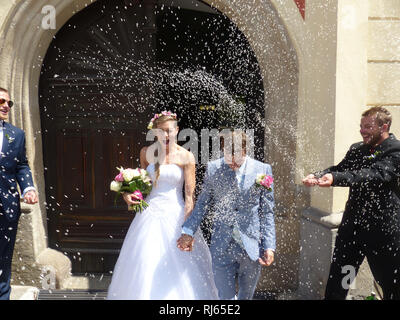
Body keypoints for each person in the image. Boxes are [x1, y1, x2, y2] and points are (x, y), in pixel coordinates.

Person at [107, 111, 218, 299]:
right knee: (145, 261)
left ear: (177, 131)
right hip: (148, 217)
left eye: (169, 131)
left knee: (180, 266)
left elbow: (190, 196)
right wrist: (128, 194)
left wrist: (187, 231)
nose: (165, 135)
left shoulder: (186, 157)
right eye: (161, 131)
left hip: (175, 216)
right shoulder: (146, 153)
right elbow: (142, 187)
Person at [302, 106, 400, 300]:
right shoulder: (357, 149)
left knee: (390, 285)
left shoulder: (395, 151)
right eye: (361, 126)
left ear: (384, 126)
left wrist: (335, 178)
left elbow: (373, 175)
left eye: (368, 127)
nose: (362, 131)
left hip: (383, 235)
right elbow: (341, 169)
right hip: (352, 232)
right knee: (340, 280)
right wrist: (319, 175)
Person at [177, 130, 276, 300]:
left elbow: (266, 212)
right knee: (225, 298)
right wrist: (188, 231)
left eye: (236, 156)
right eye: (227, 155)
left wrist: (269, 245)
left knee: (246, 297)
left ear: (245, 151)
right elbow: (202, 204)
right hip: (222, 246)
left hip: (251, 247)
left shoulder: (262, 170)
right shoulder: (214, 168)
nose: (231, 162)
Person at [0, 87, 38, 300]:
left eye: (9, 103)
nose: (6, 106)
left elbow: (22, 165)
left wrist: (28, 188)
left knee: (4, 256)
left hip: (7, 204)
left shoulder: (17, 134)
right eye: (1, 101)